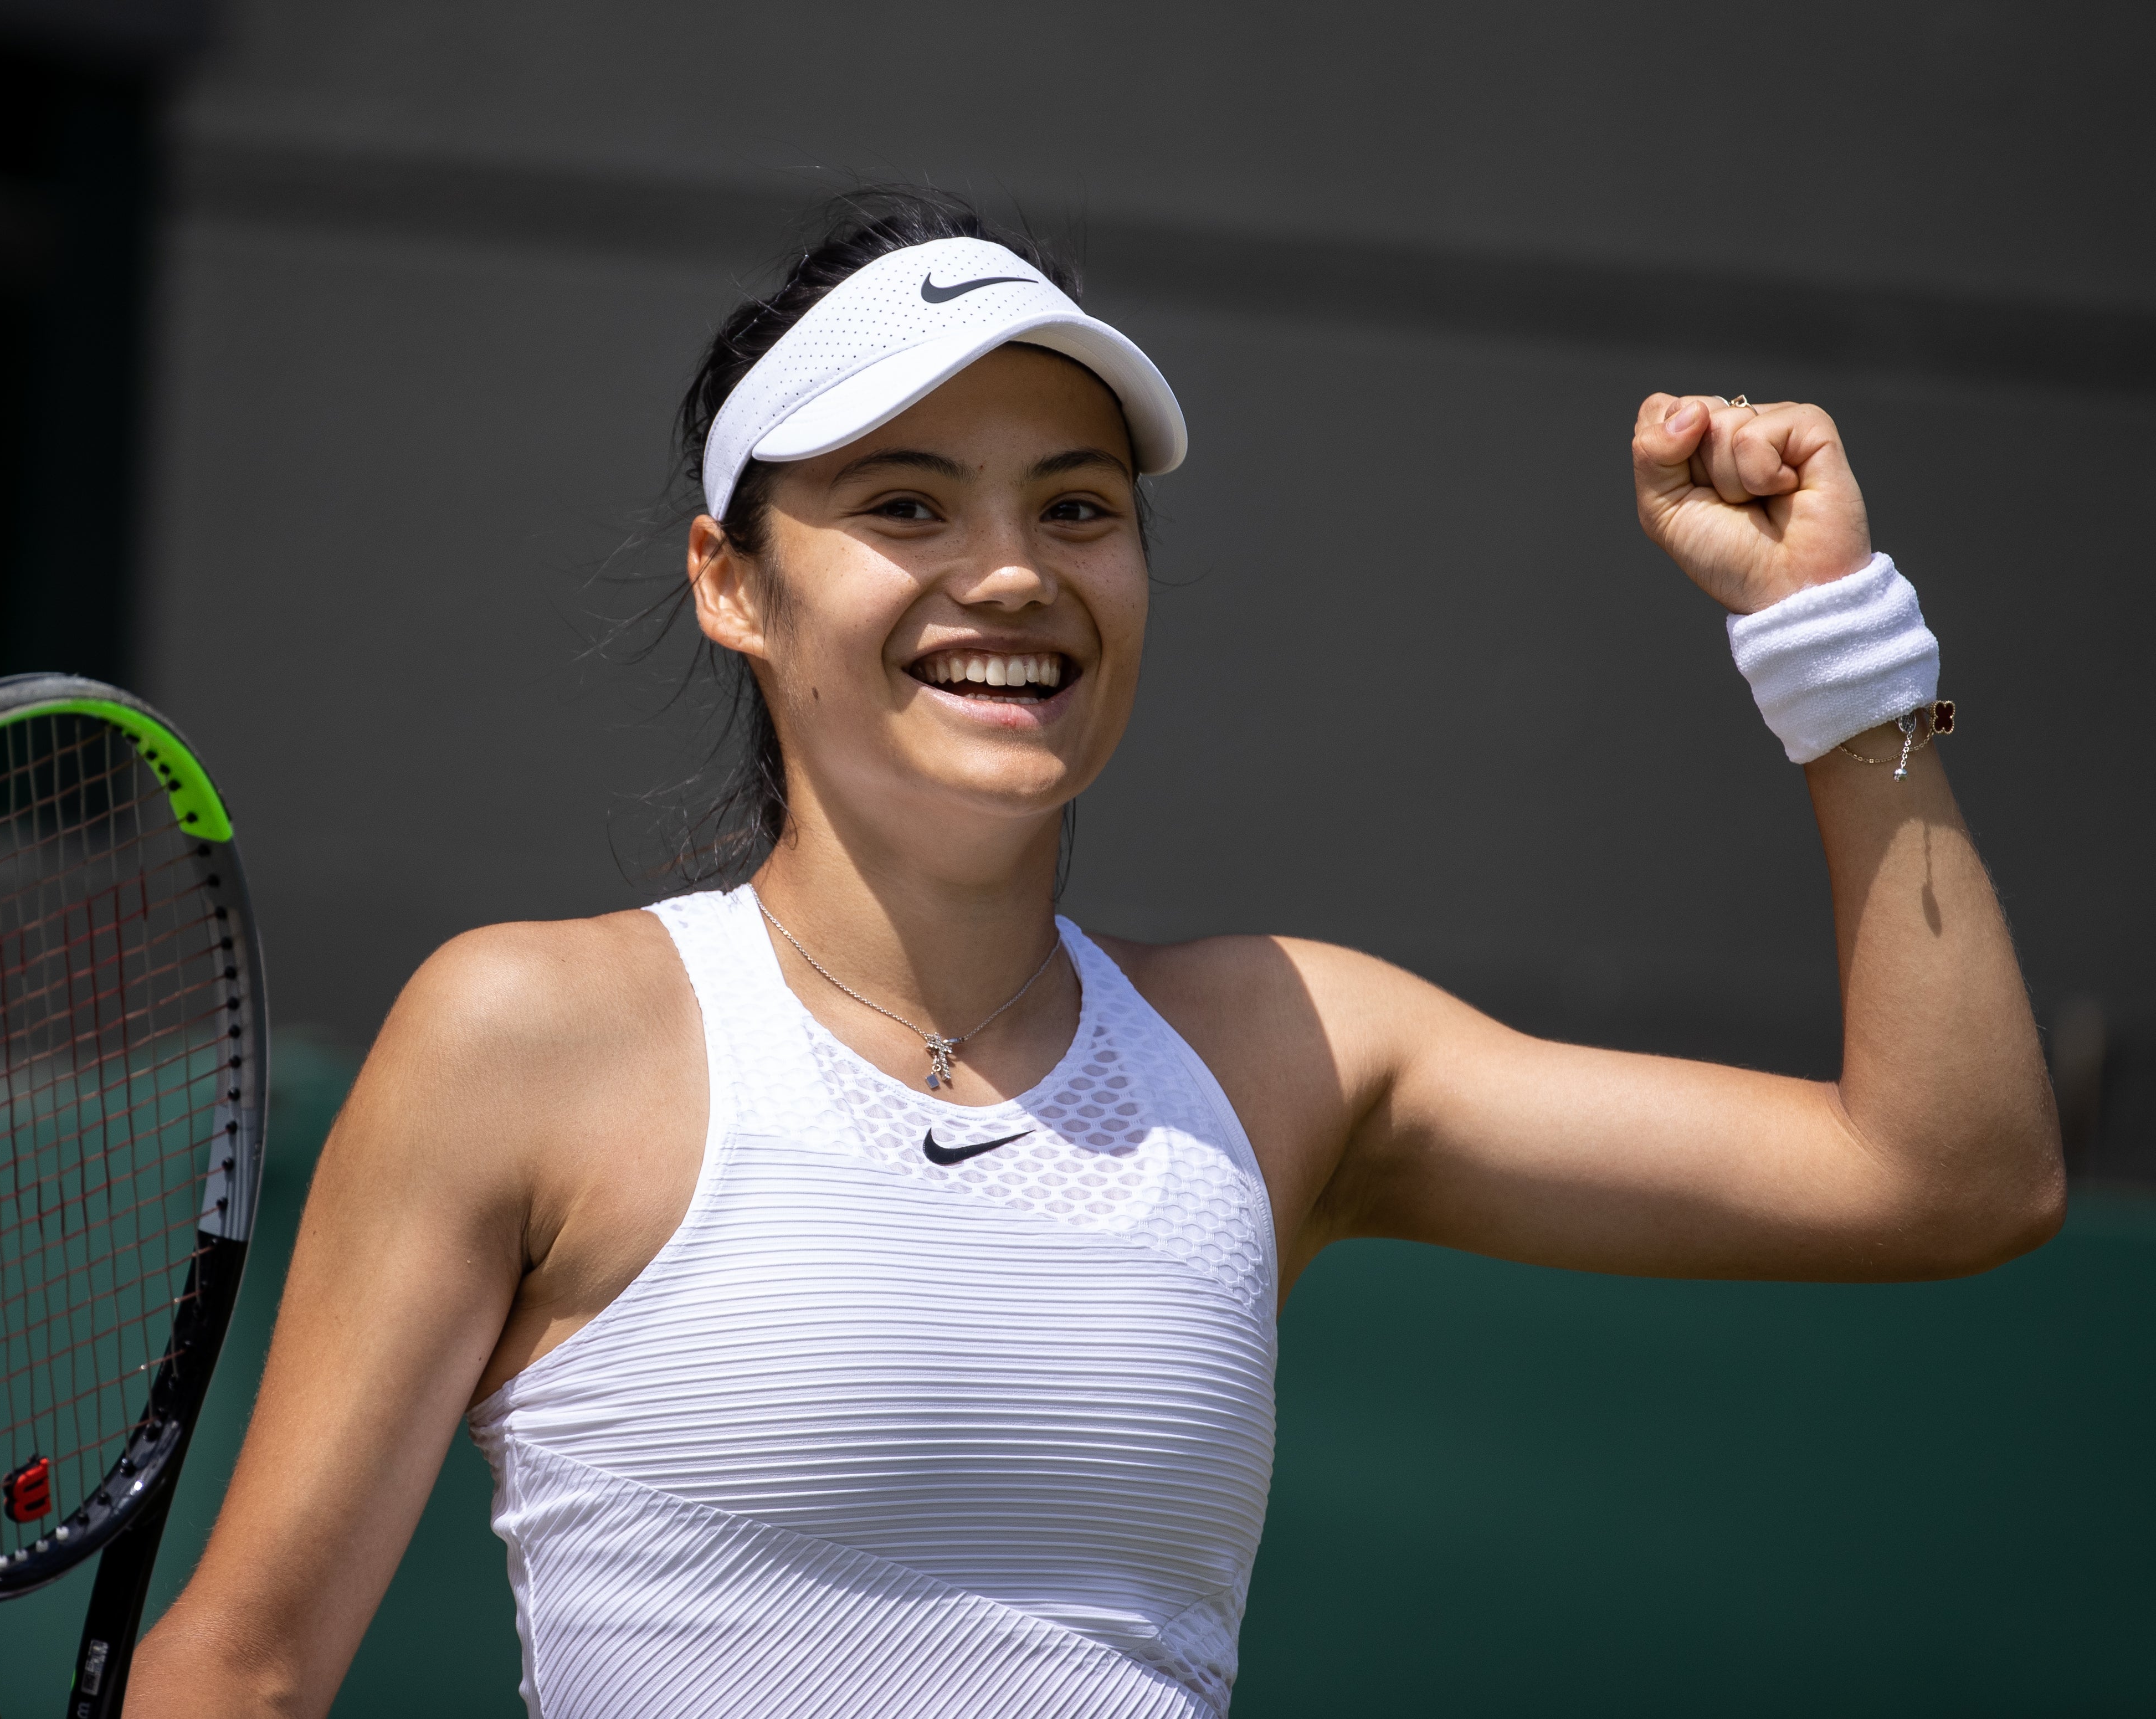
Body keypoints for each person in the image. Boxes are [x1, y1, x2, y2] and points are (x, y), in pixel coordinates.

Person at [130, 189, 2062, 1718]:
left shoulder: (1292, 1049)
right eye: (906, 504)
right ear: (733, 583)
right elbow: (241, 1671)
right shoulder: (525, 1033)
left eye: (1077, 508)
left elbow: (1951, 1174)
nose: (1013, 573)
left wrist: (1839, 652)